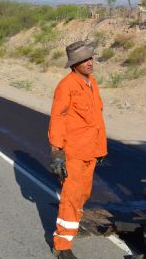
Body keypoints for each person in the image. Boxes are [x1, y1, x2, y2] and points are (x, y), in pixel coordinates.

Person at [47, 41, 108, 258]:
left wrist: (100, 149)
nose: (89, 63)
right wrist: (57, 153)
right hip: (73, 152)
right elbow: (57, 118)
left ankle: (72, 226)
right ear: (74, 64)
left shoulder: (92, 82)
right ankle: (62, 245)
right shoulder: (66, 86)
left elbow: (97, 118)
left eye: (90, 58)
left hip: (90, 151)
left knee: (83, 194)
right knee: (71, 196)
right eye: (84, 60)